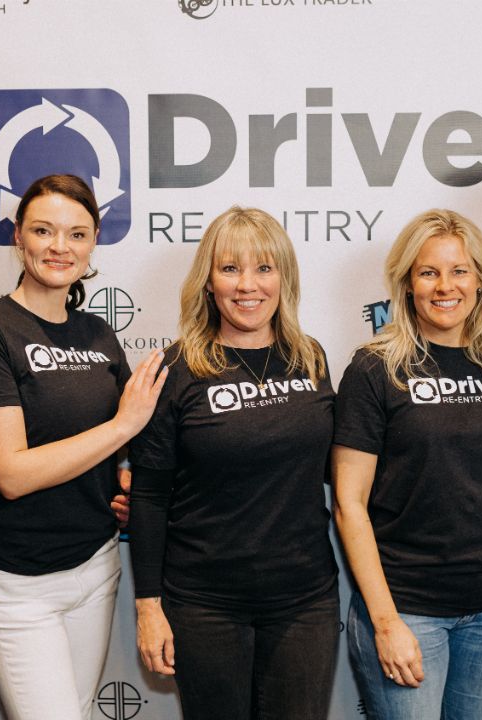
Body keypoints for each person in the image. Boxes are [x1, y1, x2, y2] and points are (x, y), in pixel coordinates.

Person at [0, 174, 166, 720]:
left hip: (95, 564)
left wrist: (124, 480)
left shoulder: (99, 335)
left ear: (93, 242)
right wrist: (122, 428)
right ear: (18, 237)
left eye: (76, 234)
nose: (59, 247)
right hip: (22, 581)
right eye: (44, 231)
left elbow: (108, 453)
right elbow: (12, 473)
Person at [127, 206, 340, 720]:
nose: (248, 285)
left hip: (304, 599)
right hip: (205, 605)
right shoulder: (175, 370)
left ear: (284, 278)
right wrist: (148, 607)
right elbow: (149, 495)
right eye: (230, 269)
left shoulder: (309, 358)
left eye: (264, 268)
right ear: (208, 282)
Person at [332, 209, 482, 719]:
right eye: (429, 272)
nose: (446, 286)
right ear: (407, 283)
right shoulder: (375, 368)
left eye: (460, 270)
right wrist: (385, 621)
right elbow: (350, 505)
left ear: (480, 280)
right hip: (407, 607)